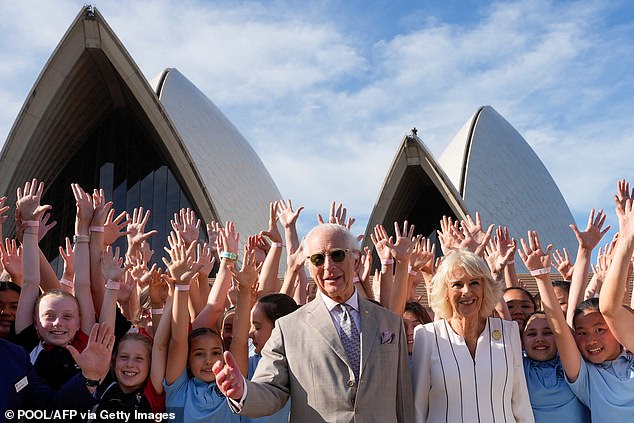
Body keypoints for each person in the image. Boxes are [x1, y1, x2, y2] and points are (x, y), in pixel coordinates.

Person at [214, 223, 414, 422]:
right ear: (309, 267)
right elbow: (271, 389)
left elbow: (402, 400)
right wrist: (242, 391)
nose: (328, 266)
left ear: (355, 260)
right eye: (318, 259)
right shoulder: (288, 327)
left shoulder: (390, 322)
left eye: (337, 255)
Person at [519, 229, 634, 422]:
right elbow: (561, 332)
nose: (591, 339)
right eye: (581, 333)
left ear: (616, 329)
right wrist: (541, 276)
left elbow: (613, 309)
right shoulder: (586, 377)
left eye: (599, 329)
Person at [412, 249, 533, 423]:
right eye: (457, 284)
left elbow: (521, 401)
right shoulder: (427, 336)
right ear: (445, 291)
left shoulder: (509, 331)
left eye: (475, 282)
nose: (467, 291)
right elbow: (418, 408)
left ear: (485, 288)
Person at [521, 312, 590, 422]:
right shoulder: (519, 367)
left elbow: (566, 331)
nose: (539, 339)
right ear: (522, 342)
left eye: (548, 332)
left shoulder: (572, 363)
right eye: (531, 334)